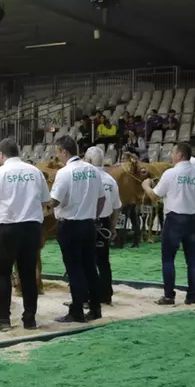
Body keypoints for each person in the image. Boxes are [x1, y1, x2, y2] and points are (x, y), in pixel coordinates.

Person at [0, 138, 51, 331]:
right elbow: (46, 201)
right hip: (31, 227)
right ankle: (30, 320)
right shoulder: (35, 172)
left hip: (7, 227)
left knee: (2, 274)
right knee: (28, 274)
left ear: (2, 155)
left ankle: (3, 320)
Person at [141, 142, 195, 305]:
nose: (171, 155)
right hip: (194, 218)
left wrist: (146, 185)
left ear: (179, 155)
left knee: (168, 258)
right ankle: (191, 297)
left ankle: (169, 296)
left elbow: (155, 196)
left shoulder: (171, 173)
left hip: (175, 218)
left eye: (172, 153)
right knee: (192, 259)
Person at [51, 135, 106, 323]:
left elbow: (55, 201)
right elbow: (101, 198)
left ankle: (76, 310)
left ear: (64, 152)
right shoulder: (93, 170)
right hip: (89, 224)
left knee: (74, 269)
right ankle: (96, 308)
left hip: (70, 225)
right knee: (90, 267)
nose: (57, 156)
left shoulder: (65, 172)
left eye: (58, 152)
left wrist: (43, 202)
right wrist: (95, 216)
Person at [84, 146, 122, 304]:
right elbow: (117, 207)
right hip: (105, 222)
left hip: (87, 222)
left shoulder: (86, 179)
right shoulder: (110, 180)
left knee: (87, 261)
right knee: (103, 260)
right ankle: (106, 295)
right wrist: (113, 227)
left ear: (90, 160)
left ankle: (88, 296)